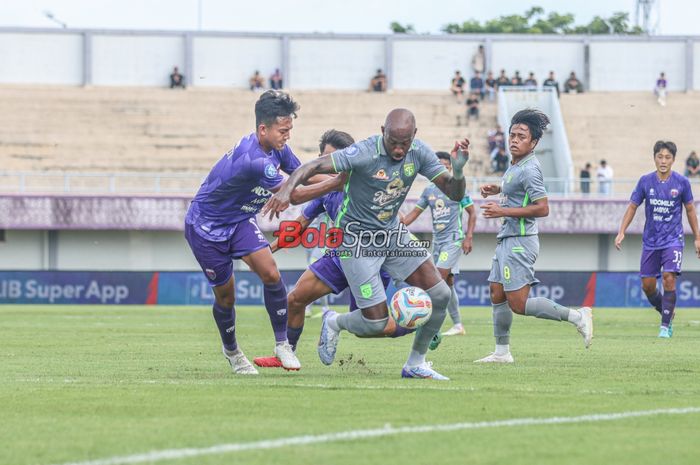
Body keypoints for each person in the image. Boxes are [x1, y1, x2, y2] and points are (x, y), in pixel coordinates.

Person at [262, 108, 470, 380]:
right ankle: (334, 321)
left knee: (440, 295)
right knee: (375, 323)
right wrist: (287, 191)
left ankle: (415, 364)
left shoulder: (418, 152)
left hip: (392, 233)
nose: (398, 150)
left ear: (414, 136)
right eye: (393, 142)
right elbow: (311, 167)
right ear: (382, 131)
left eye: (404, 143)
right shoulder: (363, 152)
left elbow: (454, 192)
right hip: (356, 241)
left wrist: (458, 170)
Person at [253, 129, 421, 369]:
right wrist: (267, 251)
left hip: (372, 261)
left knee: (370, 327)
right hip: (340, 256)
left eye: (335, 159)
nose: (330, 166)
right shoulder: (326, 191)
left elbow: (397, 217)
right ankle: (285, 354)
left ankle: (418, 325)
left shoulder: (367, 184)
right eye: (325, 159)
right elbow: (299, 226)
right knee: (295, 299)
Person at [184, 90, 305, 374]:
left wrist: (342, 175)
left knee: (271, 273)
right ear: (263, 128)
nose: (287, 136)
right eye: (283, 130)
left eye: (290, 130)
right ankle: (233, 352)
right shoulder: (255, 160)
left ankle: (282, 344)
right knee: (226, 297)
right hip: (206, 227)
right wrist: (336, 184)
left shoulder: (276, 148)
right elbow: (297, 195)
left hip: (238, 220)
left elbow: (301, 173)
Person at [475, 109, 593, 364]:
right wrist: (498, 188)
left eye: (521, 136)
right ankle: (502, 353)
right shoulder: (516, 165)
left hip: (520, 241)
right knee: (497, 292)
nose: (514, 140)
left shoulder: (530, 169)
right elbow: (518, 190)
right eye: (512, 134)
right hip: (507, 238)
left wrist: (501, 210)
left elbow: (543, 207)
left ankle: (578, 316)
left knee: (518, 303)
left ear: (534, 143)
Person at [615, 140, 700, 338]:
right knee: (648, 285)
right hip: (651, 241)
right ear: (654, 158)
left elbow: (690, 210)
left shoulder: (682, 182)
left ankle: (664, 327)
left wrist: (697, 238)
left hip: (673, 239)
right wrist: (621, 231)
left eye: (667, 157)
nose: (663, 161)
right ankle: (667, 311)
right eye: (660, 157)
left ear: (674, 160)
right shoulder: (645, 181)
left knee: (670, 278)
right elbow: (632, 206)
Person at [402, 151, 477, 336]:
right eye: (439, 165)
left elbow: (472, 213)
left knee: (437, 281)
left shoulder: (457, 189)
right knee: (448, 283)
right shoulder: (429, 191)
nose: (443, 168)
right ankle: (458, 325)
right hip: (438, 242)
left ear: (450, 167)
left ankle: (427, 324)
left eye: (446, 165)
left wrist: (468, 237)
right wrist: (395, 221)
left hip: (453, 239)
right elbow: (412, 215)